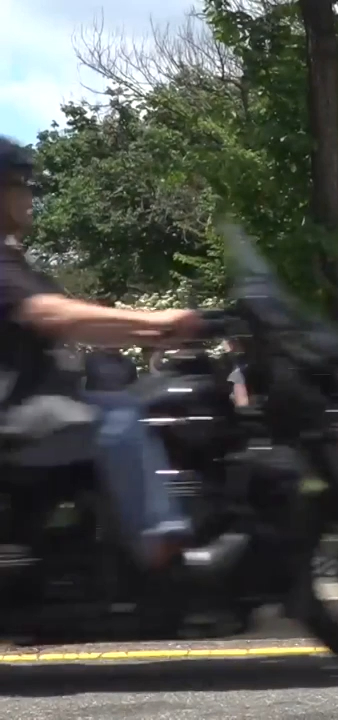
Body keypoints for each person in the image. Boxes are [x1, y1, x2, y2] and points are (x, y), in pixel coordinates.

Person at [0, 135, 237, 574]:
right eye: (18, 183)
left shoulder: (14, 261)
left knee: (150, 402)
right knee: (121, 420)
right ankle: (165, 549)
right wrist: (158, 323)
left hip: (34, 401)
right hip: (14, 413)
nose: (28, 194)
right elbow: (54, 315)